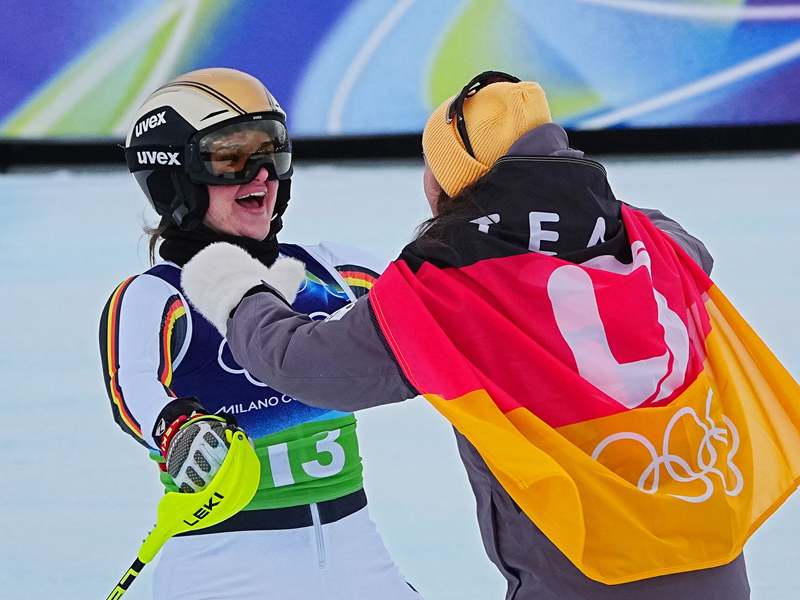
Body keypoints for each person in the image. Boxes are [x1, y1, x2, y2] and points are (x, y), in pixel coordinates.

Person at [176, 72, 800, 600]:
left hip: (582, 576)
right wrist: (568, 198)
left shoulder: (449, 286)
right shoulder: (653, 241)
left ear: (452, 179)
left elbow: (307, 365)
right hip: (714, 562)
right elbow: (692, 250)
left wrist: (234, 285)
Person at [99, 68, 421, 600]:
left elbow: (441, 306)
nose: (262, 176)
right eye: (230, 158)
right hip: (224, 562)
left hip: (353, 549)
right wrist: (175, 429)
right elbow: (130, 385)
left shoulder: (331, 268)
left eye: (273, 152)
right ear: (173, 176)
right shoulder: (158, 296)